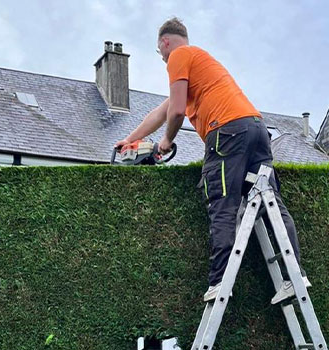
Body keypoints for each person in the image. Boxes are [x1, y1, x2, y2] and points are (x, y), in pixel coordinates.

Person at [115, 17, 309, 304]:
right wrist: (129, 139)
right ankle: (295, 277)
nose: (164, 60)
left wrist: (166, 141)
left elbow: (177, 112)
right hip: (256, 129)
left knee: (222, 204)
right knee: (270, 202)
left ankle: (219, 282)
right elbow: (161, 112)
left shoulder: (179, 56)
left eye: (161, 54)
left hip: (227, 131)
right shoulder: (201, 66)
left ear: (164, 43)